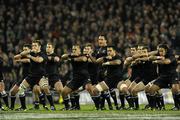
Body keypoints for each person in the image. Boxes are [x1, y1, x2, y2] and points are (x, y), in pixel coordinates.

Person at [16, 40, 55, 110]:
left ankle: (52, 106)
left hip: (41, 76)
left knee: (46, 89)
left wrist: (29, 56)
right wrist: (24, 53)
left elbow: (39, 60)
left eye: (35, 45)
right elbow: (16, 57)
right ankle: (23, 107)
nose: (33, 47)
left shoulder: (43, 54)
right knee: (20, 89)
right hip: (32, 76)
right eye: (32, 45)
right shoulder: (31, 53)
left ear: (39, 46)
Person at [61, 44, 93, 110]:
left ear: (79, 50)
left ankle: (98, 106)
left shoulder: (84, 55)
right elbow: (63, 56)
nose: (73, 51)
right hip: (76, 79)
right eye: (73, 49)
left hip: (85, 78)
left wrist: (71, 58)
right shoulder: (72, 55)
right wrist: (70, 55)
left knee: (89, 88)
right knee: (63, 92)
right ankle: (69, 107)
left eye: (75, 49)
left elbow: (83, 59)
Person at [146, 44, 178, 110]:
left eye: (161, 51)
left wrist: (157, 61)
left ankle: (177, 106)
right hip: (163, 77)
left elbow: (167, 62)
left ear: (166, 50)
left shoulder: (171, 55)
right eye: (159, 51)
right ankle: (153, 107)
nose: (160, 52)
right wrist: (158, 57)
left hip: (172, 76)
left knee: (175, 89)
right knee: (151, 90)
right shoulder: (159, 55)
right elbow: (150, 58)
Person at [10, 44, 31, 110]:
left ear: (30, 50)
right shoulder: (22, 56)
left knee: (38, 90)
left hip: (32, 77)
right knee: (12, 92)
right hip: (23, 77)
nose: (24, 51)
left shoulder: (33, 55)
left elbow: (28, 60)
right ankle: (12, 107)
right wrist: (20, 55)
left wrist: (19, 60)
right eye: (23, 50)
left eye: (26, 50)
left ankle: (24, 107)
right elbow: (15, 58)